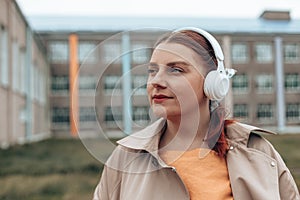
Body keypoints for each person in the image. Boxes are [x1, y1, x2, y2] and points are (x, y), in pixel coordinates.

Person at [93, 27, 300, 200]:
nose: (156, 80)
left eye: (176, 70)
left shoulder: (258, 150)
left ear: (213, 83)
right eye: (152, 70)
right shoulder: (124, 158)